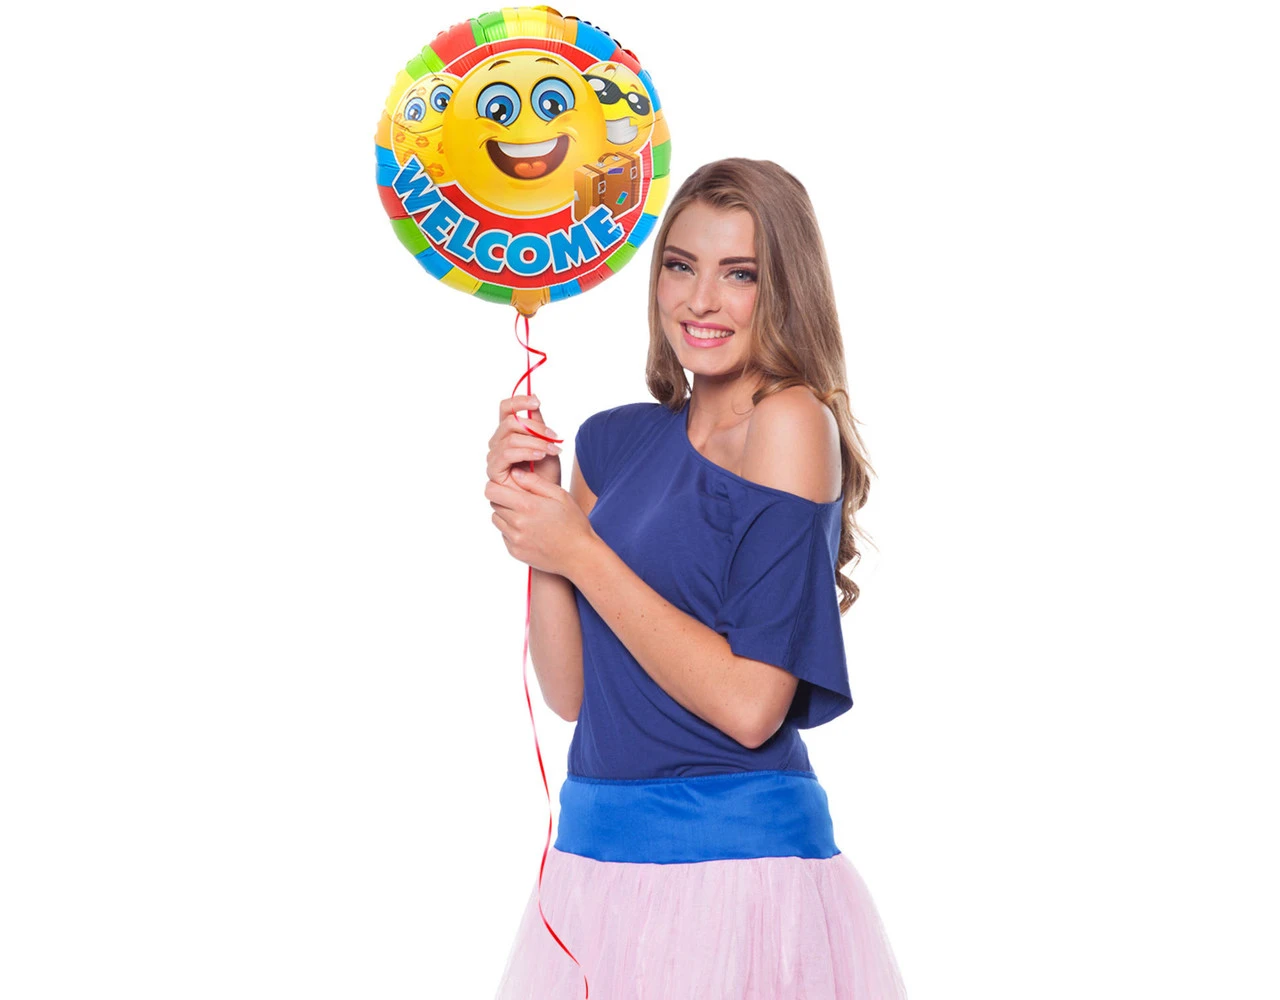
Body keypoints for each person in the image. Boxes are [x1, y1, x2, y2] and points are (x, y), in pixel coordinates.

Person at [484, 158, 907, 999]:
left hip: (737, 872)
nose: (701, 300)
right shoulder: (613, 441)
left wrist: (580, 550)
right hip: (596, 860)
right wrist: (541, 525)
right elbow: (571, 692)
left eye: (738, 274)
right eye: (680, 266)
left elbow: (753, 707)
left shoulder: (789, 422)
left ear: (783, 289)